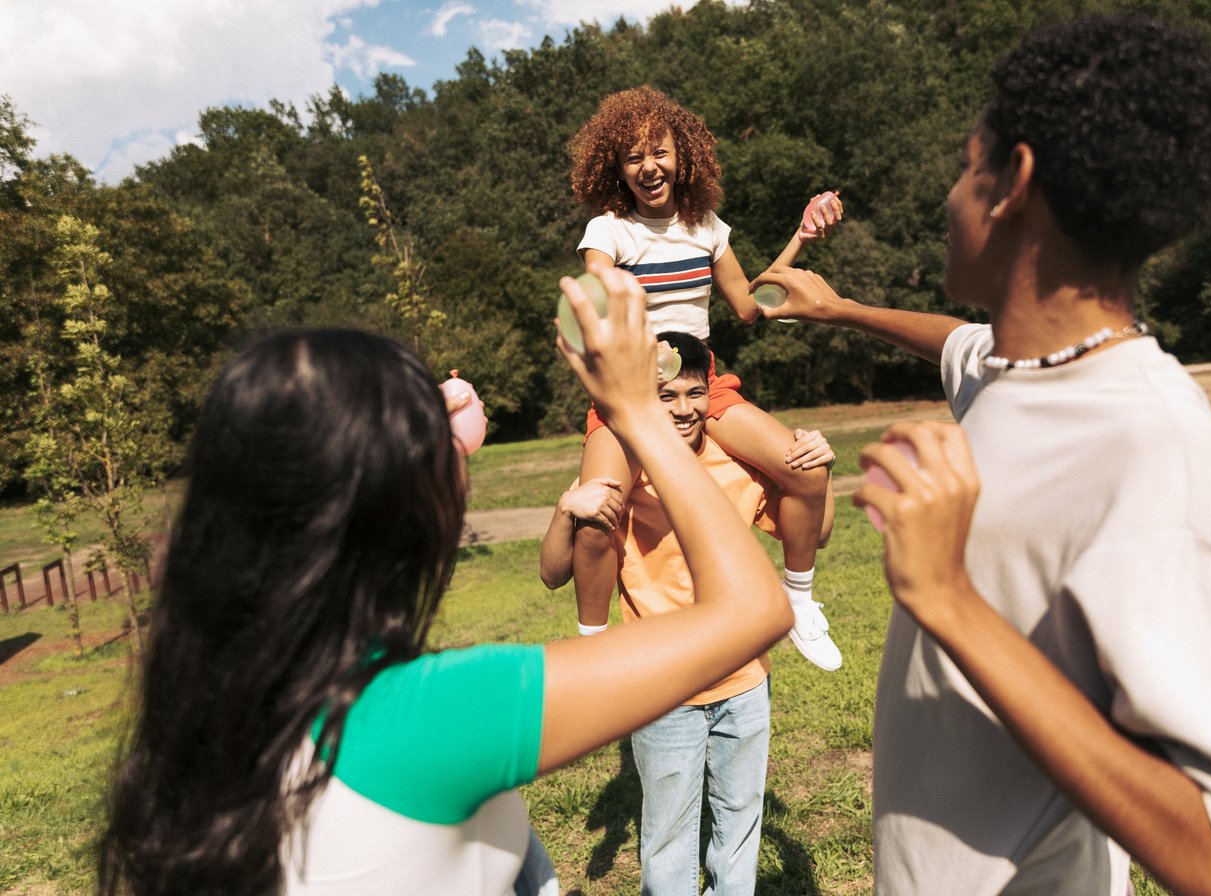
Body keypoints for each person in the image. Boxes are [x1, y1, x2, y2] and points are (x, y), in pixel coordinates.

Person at [753, 14, 1211, 896]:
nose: (950, 197)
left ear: (1013, 183)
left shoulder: (1153, 449)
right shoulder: (1021, 370)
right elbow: (958, 346)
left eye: (968, 168)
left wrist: (949, 600)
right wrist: (842, 309)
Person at [97, 268, 795, 896]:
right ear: (403, 515)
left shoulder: (206, 712)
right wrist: (637, 413)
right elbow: (754, 609)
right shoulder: (427, 716)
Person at [540, 331, 835, 896]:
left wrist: (822, 466)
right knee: (669, 833)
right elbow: (554, 572)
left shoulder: (739, 462)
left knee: (740, 820)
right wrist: (564, 509)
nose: (682, 409)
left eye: (694, 394)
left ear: (712, 395)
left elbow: (815, 533)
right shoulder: (620, 474)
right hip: (663, 688)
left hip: (745, 681)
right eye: (666, 396)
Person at [566, 85, 844, 671]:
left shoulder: (709, 229)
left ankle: (799, 600)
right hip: (629, 394)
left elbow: (748, 305)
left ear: (681, 156)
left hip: (702, 383)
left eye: (659, 152)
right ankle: (591, 654)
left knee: (809, 469)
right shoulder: (609, 232)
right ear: (616, 169)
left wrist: (801, 238)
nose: (649, 167)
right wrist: (611, 314)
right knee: (595, 519)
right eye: (633, 157)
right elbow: (596, 289)